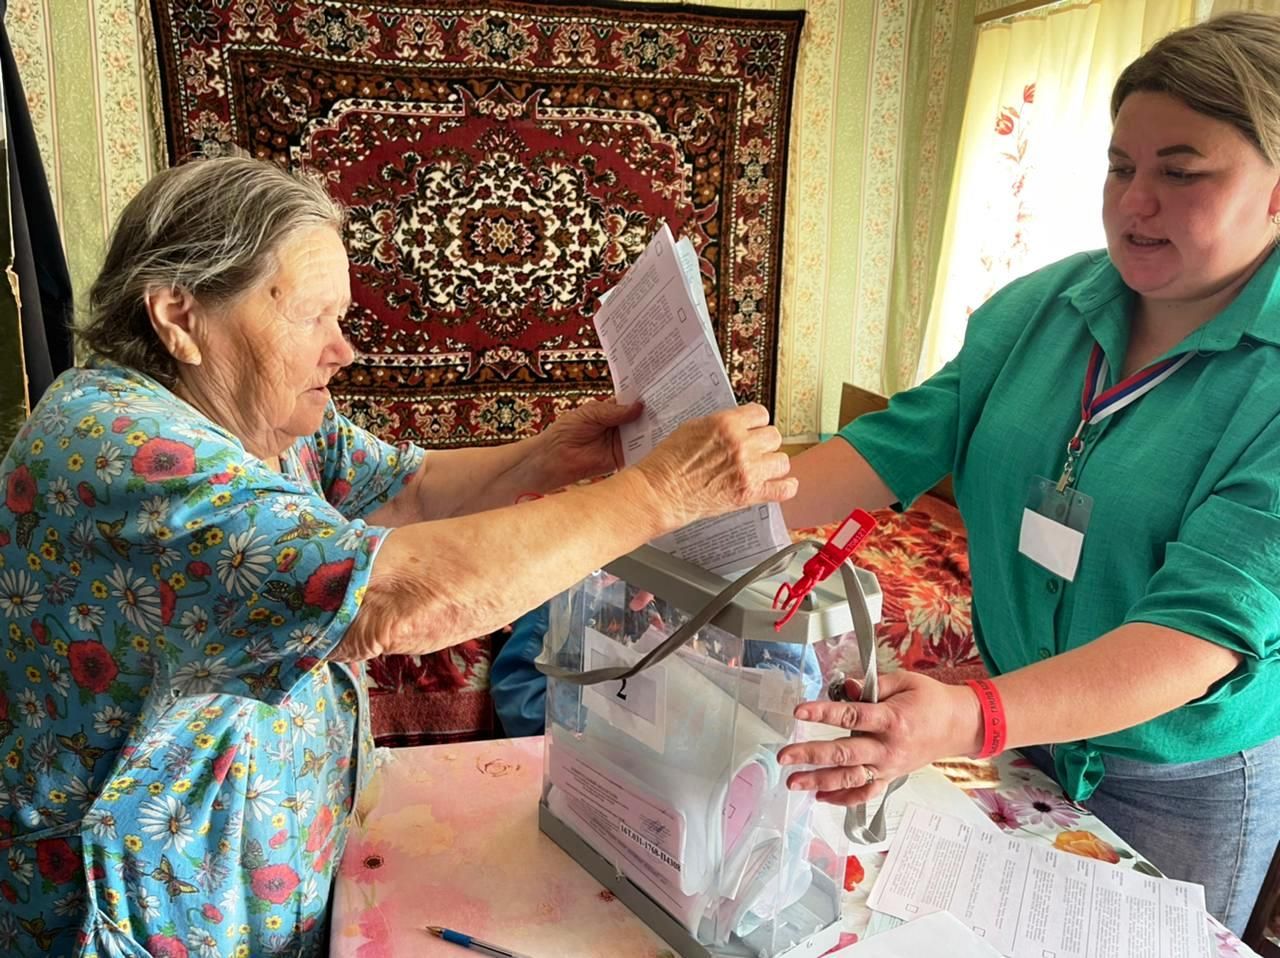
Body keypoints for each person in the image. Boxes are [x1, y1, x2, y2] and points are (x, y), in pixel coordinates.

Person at [0, 155, 795, 956]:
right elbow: (392, 599)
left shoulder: (258, 420)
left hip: (245, 892)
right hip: (132, 919)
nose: (341, 349)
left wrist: (545, 459)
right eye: (312, 316)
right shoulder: (120, 450)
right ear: (180, 315)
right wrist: (661, 494)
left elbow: (402, 490)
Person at [777, 13, 1280, 936]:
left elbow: (1195, 634)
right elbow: (899, 441)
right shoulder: (1046, 305)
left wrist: (975, 718)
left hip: (1175, 776)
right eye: (1121, 166)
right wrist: (710, 510)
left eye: (1181, 170)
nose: (1136, 200)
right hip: (1026, 730)